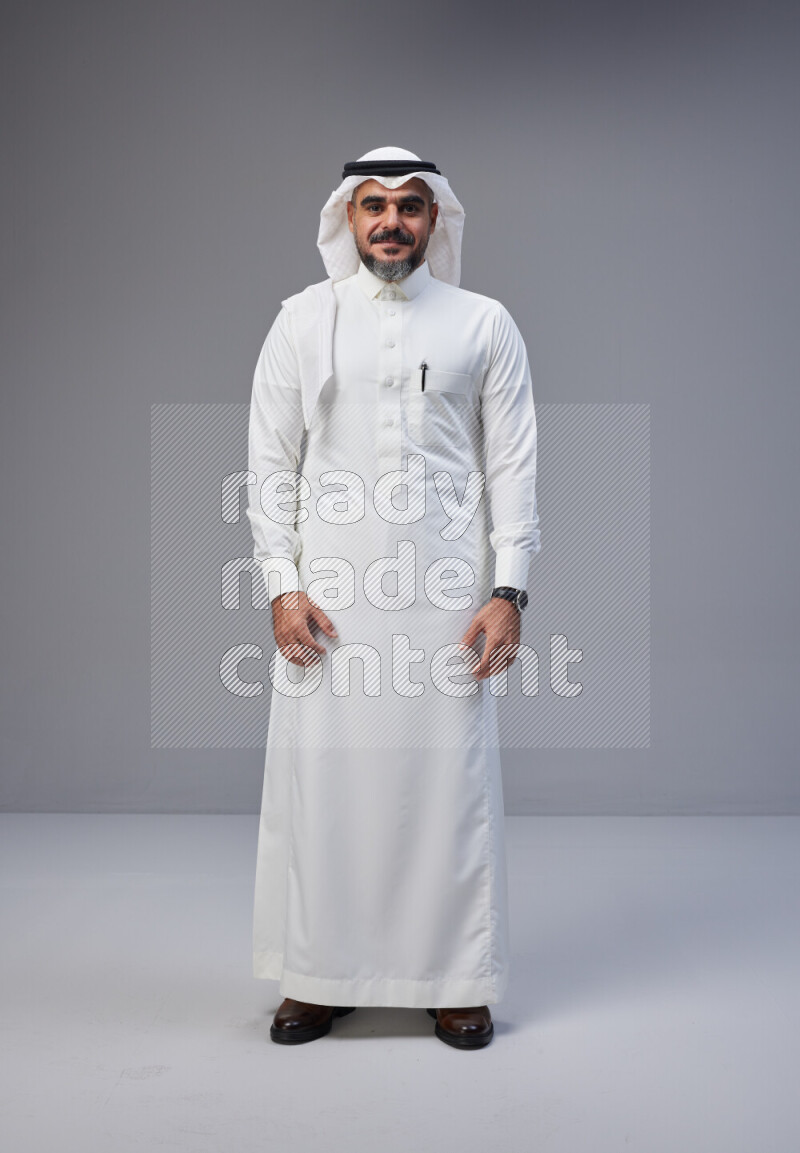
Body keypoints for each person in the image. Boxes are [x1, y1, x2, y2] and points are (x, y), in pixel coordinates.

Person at [246, 146, 541, 1049]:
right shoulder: (302, 321)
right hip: (334, 597)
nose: (390, 222)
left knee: (446, 786)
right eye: (373, 205)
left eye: (410, 207)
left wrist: (509, 590)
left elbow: (513, 462)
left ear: (435, 219)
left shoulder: (484, 322)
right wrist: (282, 584)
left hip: (448, 597)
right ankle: (318, 976)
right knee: (326, 781)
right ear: (347, 216)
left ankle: (455, 979)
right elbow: (269, 459)